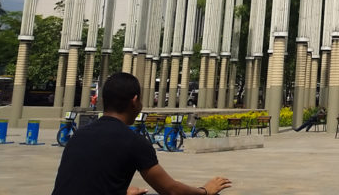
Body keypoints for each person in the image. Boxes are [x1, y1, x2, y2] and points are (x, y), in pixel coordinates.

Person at [51, 72, 232, 195]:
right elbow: (171, 190)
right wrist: (205, 190)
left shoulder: (79, 135)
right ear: (134, 101)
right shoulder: (133, 142)